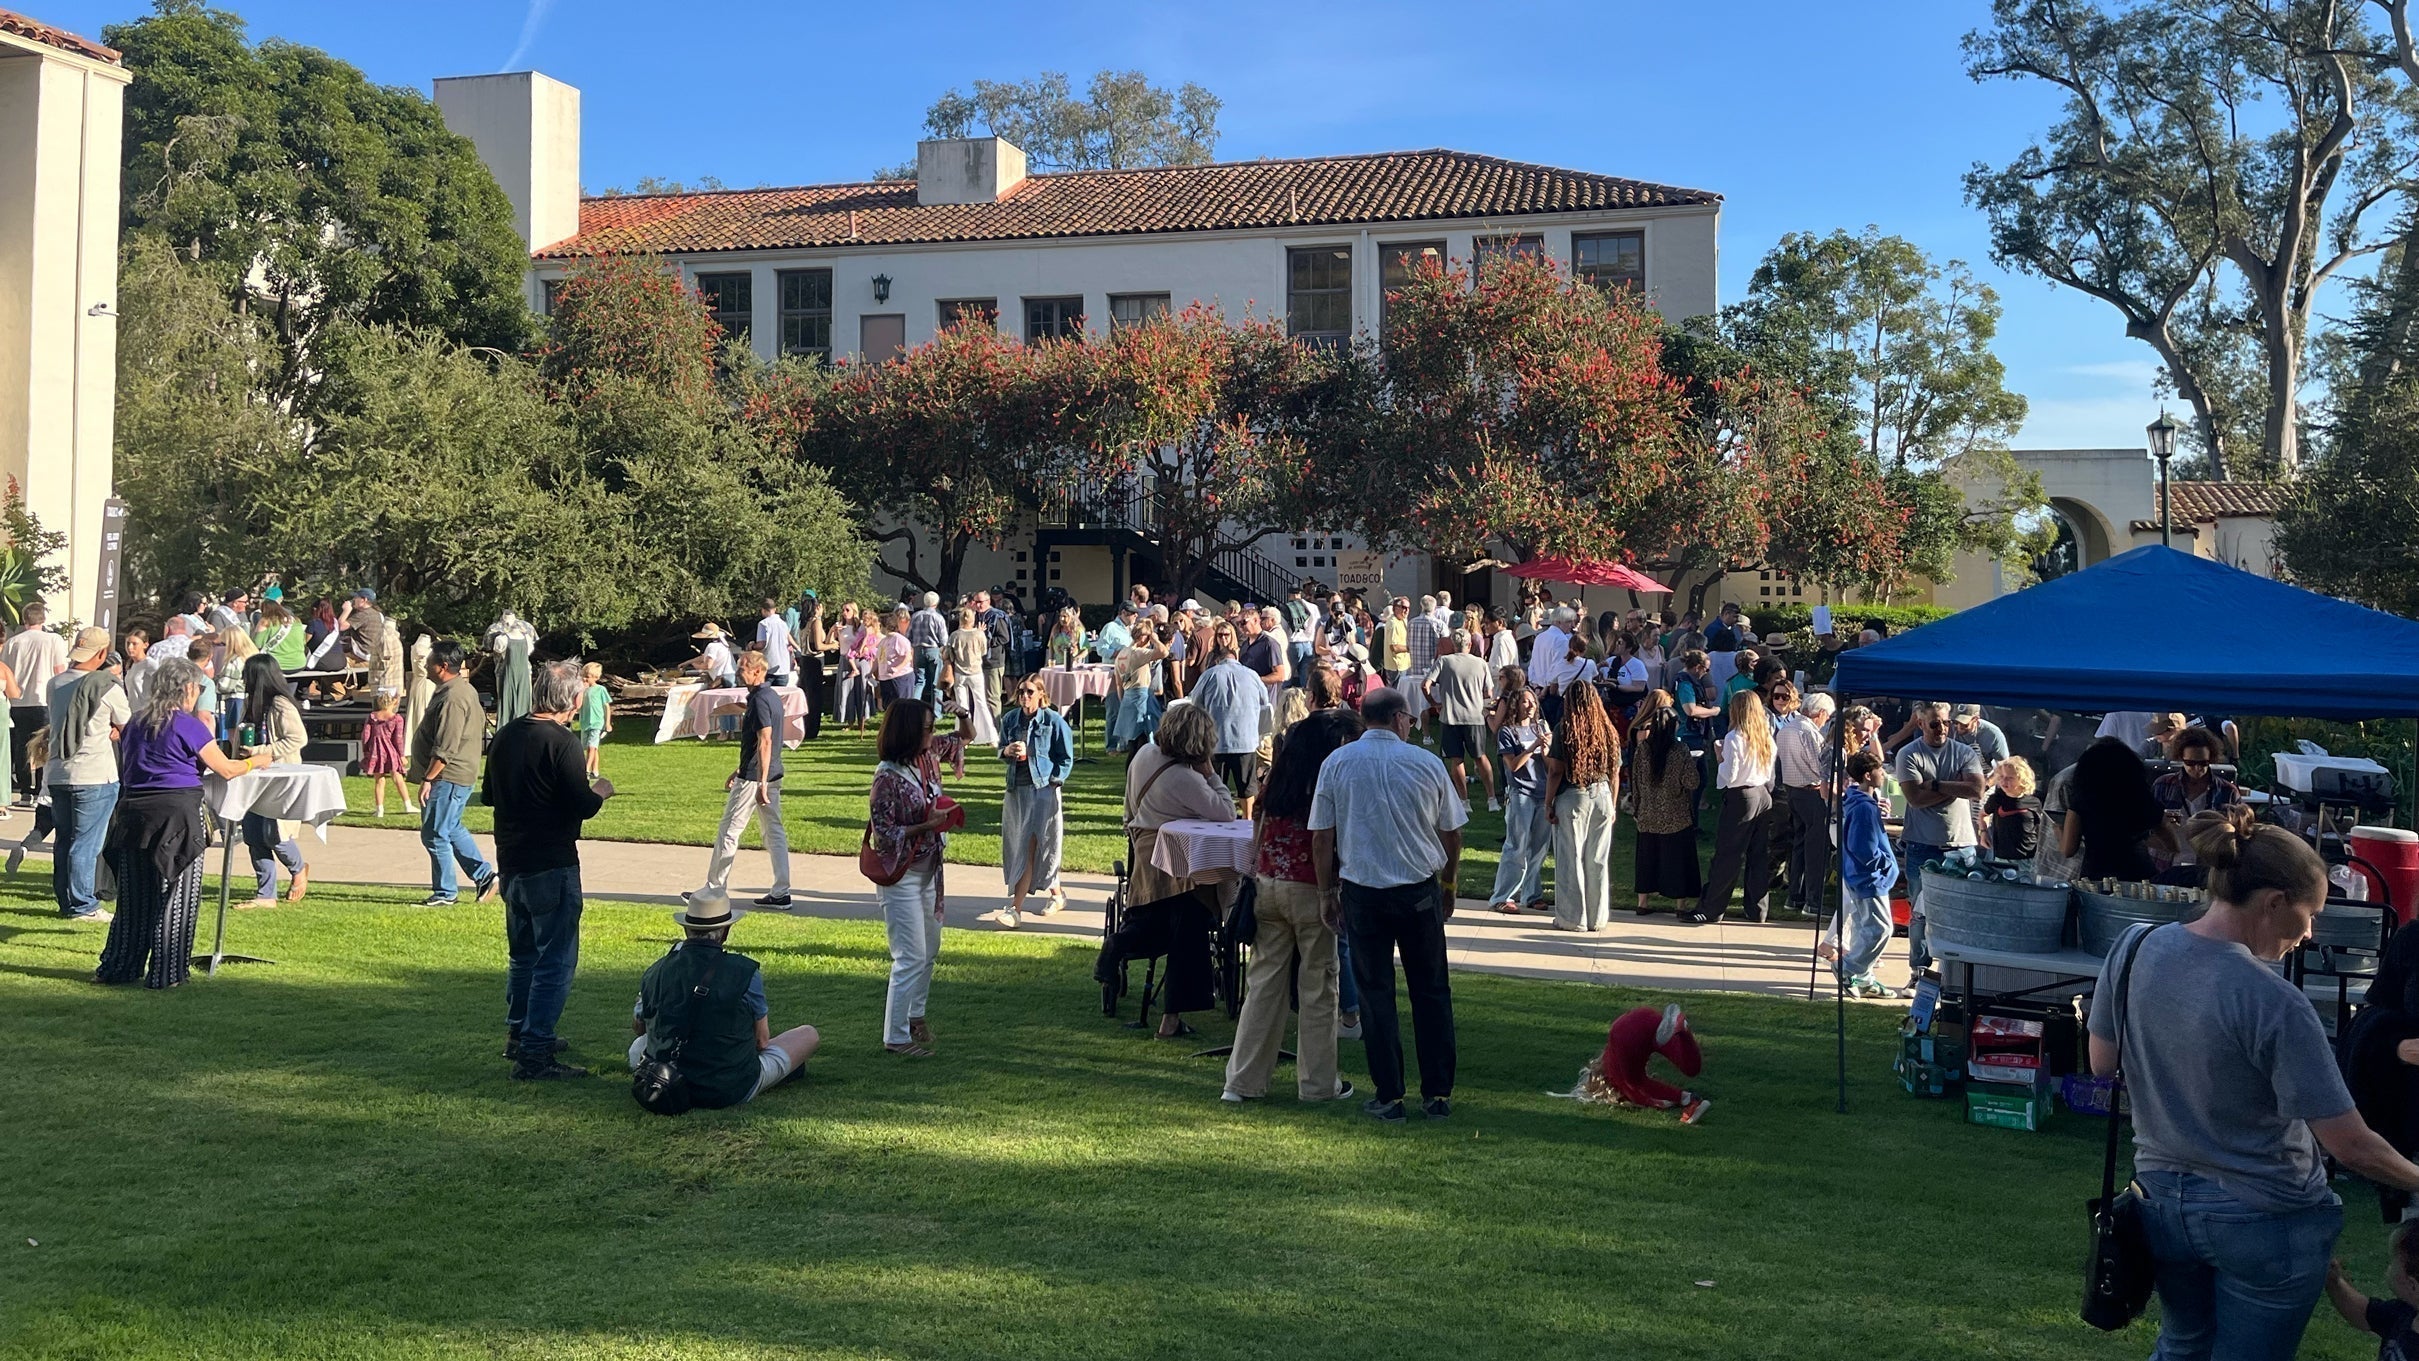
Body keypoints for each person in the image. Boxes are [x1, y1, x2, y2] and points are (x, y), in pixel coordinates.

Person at [2090, 808, 2419, 1359]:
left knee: (2182, 1346)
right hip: (2265, 1216)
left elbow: (2103, 1062)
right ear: (2273, 903)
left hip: (2160, 1200)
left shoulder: (2134, 947)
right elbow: (2349, 1143)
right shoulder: (2274, 1000)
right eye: (2310, 913)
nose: (2310, 932)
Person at [1310, 685, 1467, 1122]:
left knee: (1376, 993)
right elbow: (1452, 832)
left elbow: (1321, 837)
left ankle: (1390, 1093)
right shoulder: (1425, 762)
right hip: (1418, 890)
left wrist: (1326, 892)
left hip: (1363, 891)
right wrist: (1450, 884)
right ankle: (1437, 1093)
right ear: (1399, 719)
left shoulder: (1337, 763)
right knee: (1431, 990)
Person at [96, 658, 270, 988]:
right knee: (176, 895)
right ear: (187, 689)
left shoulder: (135, 721)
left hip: (134, 813)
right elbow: (227, 769)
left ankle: (119, 968)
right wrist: (257, 761)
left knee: (134, 899)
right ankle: (167, 974)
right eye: (198, 689)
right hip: (176, 814)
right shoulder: (187, 725)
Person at [1222, 708, 1364, 1104]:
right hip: (1313, 890)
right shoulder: (1329, 782)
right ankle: (1318, 1085)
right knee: (1319, 987)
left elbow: (1257, 828)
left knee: (1264, 987)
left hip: (1268, 885)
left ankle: (1241, 1082)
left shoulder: (1276, 780)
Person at [486, 660, 614, 1079]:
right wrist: (601, 789)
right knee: (554, 961)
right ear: (575, 699)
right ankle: (536, 1051)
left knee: (523, 956)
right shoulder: (562, 742)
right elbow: (582, 804)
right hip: (551, 861)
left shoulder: (506, 735)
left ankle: (520, 1034)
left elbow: (489, 794)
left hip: (512, 859)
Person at [1116, 701, 1236, 1040]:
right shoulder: (1187, 779)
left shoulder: (1144, 756)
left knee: (1178, 917)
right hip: (1178, 867)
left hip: (1144, 863)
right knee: (1197, 914)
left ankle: (1123, 944)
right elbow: (1226, 812)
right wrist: (1210, 773)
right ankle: (1172, 1016)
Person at [628, 893, 820, 1105]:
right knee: (808, 1034)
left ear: (686, 928)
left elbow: (640, 1028)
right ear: (725, 932)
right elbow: (762, 1041)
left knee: (637, 1047)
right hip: (727, 1086)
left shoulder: (656, 970)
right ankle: (784, 1070)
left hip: (664, 1077)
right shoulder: (744, 971)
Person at [867, 699, 955, 1057]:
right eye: (927, 728)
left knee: (929, 948)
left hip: (927, 869)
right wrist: (926, 825)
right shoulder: (886, 778)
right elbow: (884, 834)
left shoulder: (922, 763)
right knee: (910, 955)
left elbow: (964, 736)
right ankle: (896, 1036)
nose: (932, 735)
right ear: (908, 731)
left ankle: (915, 1015)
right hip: (899, 876)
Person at [693, 650, 793, 910]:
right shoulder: (768, 696)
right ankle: (781, 891)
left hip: (756, 779)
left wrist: (760, 782)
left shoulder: (761, 700)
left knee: (729, 831)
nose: (738, 673)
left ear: (758, 671)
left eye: (742, 669)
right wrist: (739, 769)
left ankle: (713, 890)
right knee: (773, 833)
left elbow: (766, 740)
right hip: (765, 773)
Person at [1893, 701, 1984, 974]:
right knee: (1920, 914)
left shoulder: (1964, 751)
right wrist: (1957, 786)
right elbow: (1916, 799)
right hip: (1922, 845)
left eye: (1946, 723)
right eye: (1935, 723)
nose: (1942, 729)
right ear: (1920, 724)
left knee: (1962, 914)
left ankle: (1955, 972)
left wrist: (1933, 783)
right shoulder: (1908, 754)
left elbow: (1977, 789)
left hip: (1962, 845)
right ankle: (1918, 970)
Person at [409, 639, 498, 907]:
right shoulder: (455, 689)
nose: (425, 664)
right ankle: (484, 876)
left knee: (435, 834)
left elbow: (446, 746)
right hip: (451, 776)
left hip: (448, 777)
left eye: (430, 661)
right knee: (450, 828)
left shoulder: (455, 697)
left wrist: (428, 779)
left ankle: (445, 893)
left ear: (443, 666)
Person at [45, 628, 125, 922]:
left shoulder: (55, 683)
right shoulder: (109, 687)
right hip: (94, 772)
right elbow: (126, 725)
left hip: (58, 771)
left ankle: (67, 899)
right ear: (103, 654)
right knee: (86, 843)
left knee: (65, 840)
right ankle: (83, 905)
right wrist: (112, 730)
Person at [1686, 689, 1777, 925]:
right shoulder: (1765, 735)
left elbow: (1731, 776)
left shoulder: (1734, 738)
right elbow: (1770, 773)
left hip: (1742, 796)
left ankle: (1712, 908)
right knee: (1758, 855)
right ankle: (1757, 909)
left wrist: (1719, 757)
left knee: (1727, 855)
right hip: (1763, 794)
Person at [991, 676, 1074, 929]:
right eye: (1021, 692)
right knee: (1020, 845)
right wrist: (1006, 752)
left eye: (1029, 692)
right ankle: (1057, 894)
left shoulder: (1053, 721)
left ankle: (1014, 910)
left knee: (1031, 845)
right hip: (1017, 790)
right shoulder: (1010, 720)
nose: (1024, 696)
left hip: (1043, 791)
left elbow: (1065, 758)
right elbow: (1001, 749)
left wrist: (1054, 782)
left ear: (1041, 694)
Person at [1545, 682, 1621, 933]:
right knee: (1597, 860)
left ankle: (1571, 918)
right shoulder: (1607, 730)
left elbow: (1556, 770)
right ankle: (1597, 918)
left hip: (1573, 794)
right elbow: (1615, 771)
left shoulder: (1565, 729)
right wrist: (1613, 805)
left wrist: (1548, 803)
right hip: (1603, 794)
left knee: (1571, 858)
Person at [236, 654, 310, 904]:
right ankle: (265, 894)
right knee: (253, 833)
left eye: (248, 675)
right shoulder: (251, 704)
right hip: (253, 777)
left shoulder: (281, 705)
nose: (244, 679)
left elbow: (298, 739)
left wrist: (262, 752)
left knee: (274, 833)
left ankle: (298, 868)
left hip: (279, 779)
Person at [1830, 750, 1898, 998]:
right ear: (1868, 775)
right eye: (1880, 770)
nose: (1884, 774)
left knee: (1863, 929)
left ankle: (1865, 978)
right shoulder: (1863, 809)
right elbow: (1863, 847)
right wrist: (1884, 864)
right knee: (1880, 929)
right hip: (1869, 878)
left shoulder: (1861, 802)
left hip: (1862, 876)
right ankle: (1848, 968)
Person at [2062, 736, 2177, 882]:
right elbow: (2172, 845)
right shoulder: (2143, 800)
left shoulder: (2081, 803)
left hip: (2097, 874)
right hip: (2139, 871)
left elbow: (2068, 850)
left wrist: (2058, 829)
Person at [1629, 693, 1703, 917]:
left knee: (1647, 858)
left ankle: (1643, 902)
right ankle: (1680, 905)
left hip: (1648, 814)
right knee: (1678, 859)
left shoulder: (1643, 749)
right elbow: (1692, 782)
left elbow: (1636, 780)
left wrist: (1638, 807)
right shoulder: (1680, 751)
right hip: (1676, 815)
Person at [1190, 626, 1272, 820]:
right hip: (1246, 739)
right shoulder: (1252, 675)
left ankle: (1217, 816)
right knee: (1247, 785)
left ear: (1219, 660)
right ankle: (1248, 818)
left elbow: (1196, 704)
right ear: (1236, 657)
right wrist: (1260, 734)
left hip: (1216, 739)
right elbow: (1265, 705)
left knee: (1216, 783)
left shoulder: (1209, 675)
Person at [1489, 686, 1553, 915]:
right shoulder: (1508, 732)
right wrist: (1534, 746)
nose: (1531, 706)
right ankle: (1502, 896)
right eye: (1525, 702)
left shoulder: (1541, 728)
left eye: (1533, 702)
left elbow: (1549, 766)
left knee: (1539, 848)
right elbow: (1513, 766)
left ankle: (1532, 894)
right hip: (1520, 794)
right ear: (1517, 705)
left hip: (1543, 792)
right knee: (1516, 846)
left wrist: (1545, 751)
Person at [1774, 687, 1833, 916]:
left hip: (1793, 790)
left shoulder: (1787, 728)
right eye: (1826, 716)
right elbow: (1818, 767)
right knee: (1817, 847)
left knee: (1799, 843)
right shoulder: (1808, 732)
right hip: (1811, 792)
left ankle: (1794, 896)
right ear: (1820, 713)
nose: (1826, 721)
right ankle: (1813, 900)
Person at [1425, 630, 1498, 811]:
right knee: (1480, 757)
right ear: (1470, 644)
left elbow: (1425, 685)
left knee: (1456, 759)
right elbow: (1489, 692)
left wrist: (1434, 703)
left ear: (1452, 644)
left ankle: (1464, 801)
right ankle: (1492, 799)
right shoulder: (1480, 663)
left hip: (1450, 716)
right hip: (1475, 716)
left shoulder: (1444, 661)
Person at [2324, 1229, 2419, 1360]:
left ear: (2412, 1285)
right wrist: (2334, 1282)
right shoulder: (2404, 1313)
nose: (2389, 1266)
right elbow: (2362, 1312)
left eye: (2392, 1262)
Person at [3, 603, 66, 801]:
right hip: (44, 700)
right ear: (43, 619)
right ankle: (40, 787)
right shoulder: (53, 640)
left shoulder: (13, 642)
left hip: (18, 701)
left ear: (24, 619)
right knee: (43, 744)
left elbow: (5, 670)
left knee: (22, 745)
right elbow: (60, 671)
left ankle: (24, 791)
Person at [1107, 617, 1168, 753]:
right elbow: (1164, 652)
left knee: (1132, 742)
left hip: (1127, 696)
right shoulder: (1138, 653)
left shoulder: (1121, 654)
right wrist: (1155, 639)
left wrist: (1123, 701)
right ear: (1142, 638)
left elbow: (1118, 684)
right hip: (1141, 696)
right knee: (1144, 738)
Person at [944, 606, 997, 746]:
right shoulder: (979, 635)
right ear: (973, 619)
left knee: (962, 705)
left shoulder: (955, 635)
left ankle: (963, 737)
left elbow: (949, 654)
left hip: (960, 673)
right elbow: (984, 652)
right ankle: (991, 737)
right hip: (976, 672)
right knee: (981, 704)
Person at [1983, 756, 2044, 862]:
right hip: (2002, 856)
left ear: (2022, 779)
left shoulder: (2035, 801)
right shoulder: (1997, 798)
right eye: (2001, 777)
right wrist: (1983, 833)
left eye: (2009, 778)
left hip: (2029, 857)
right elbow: (1983, 815)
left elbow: (2041, 827)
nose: (2003, 781)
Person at [362, 692, 413, 817]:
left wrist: (366, 750)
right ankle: (408, 805)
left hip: (376, 751)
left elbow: (365, 735)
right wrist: (401, 755)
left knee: (379, 780)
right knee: (398, 778)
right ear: (395, 702)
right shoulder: (397, 719)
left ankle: (379, 809)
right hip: (391, 751)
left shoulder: (372, 716)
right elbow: (398, 739)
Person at [836, 602, 876, 730]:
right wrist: (833, 631)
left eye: (847, 610)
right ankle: (849, 721)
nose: (844, 612)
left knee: (861, 689)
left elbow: (870, 639)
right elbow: (832, 642)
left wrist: (864, 649)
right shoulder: (840, 626)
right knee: (846, 690)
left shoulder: (861, 627)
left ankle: (862, 721)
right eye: (843, 610)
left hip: (861, 660)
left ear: (854, 611)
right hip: (845, 659)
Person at [973, 590, 1013, 717]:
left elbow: (1004, 638)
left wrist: (985, 641)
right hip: (979, 661)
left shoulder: (997, 616)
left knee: (992, 698)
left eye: (981, 602)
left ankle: (996, 729)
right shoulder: (976, 616)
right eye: (976, 602)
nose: (978, 605)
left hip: (993, 662)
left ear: (988, 601)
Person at [907, 592, 950, 707]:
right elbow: (944, 640)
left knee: (919, 681)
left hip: (918, 650)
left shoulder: (915, 616)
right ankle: (936, 712)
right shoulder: (938, 618)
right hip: (934, 650)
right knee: (936, 683)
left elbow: (908, 635)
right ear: (936, 603)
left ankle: (914, 707)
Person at [875, 606, 917, 708]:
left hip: (901, 677)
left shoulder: (899, 639)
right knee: (891, 708)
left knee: (903, 706)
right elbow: (878, 659)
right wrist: (872, 672)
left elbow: (908, 656)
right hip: (887, 678)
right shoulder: (884, 641)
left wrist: (897, 668)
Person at [576, 662, 612, 779]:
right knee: (590, 747)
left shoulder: (600, 689)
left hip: (597, 722)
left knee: (592, 746)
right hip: (585, 722)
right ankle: (595, 771)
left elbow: (606, 706)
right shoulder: (582, 691)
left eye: (588, 677)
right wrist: (581, 691)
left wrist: (607, 723)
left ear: (596, 677)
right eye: (584, 676)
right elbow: (578, 705)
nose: (585, 679)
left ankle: (585, 770)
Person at [252, 600, 307, 675]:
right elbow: (303, 641)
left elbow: (257, 644)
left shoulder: (265, 621)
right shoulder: (296, 621)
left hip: (276, 665)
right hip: (299, 664)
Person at [755, 597, 796, 691]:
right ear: (775, 609)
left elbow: (761, 644)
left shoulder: (763, 624)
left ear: (763, 610)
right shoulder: (783, 624)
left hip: (769, 667)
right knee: (781, 698)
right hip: (783, 667)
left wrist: (752, 646)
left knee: (766, 697)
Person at [687, 622, 737, 688]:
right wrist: (686, 663)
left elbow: (707, 665)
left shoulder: (712, 646)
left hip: (723, 679)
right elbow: (705, 657)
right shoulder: (722, 644)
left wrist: (696, 666)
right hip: (732, 676)